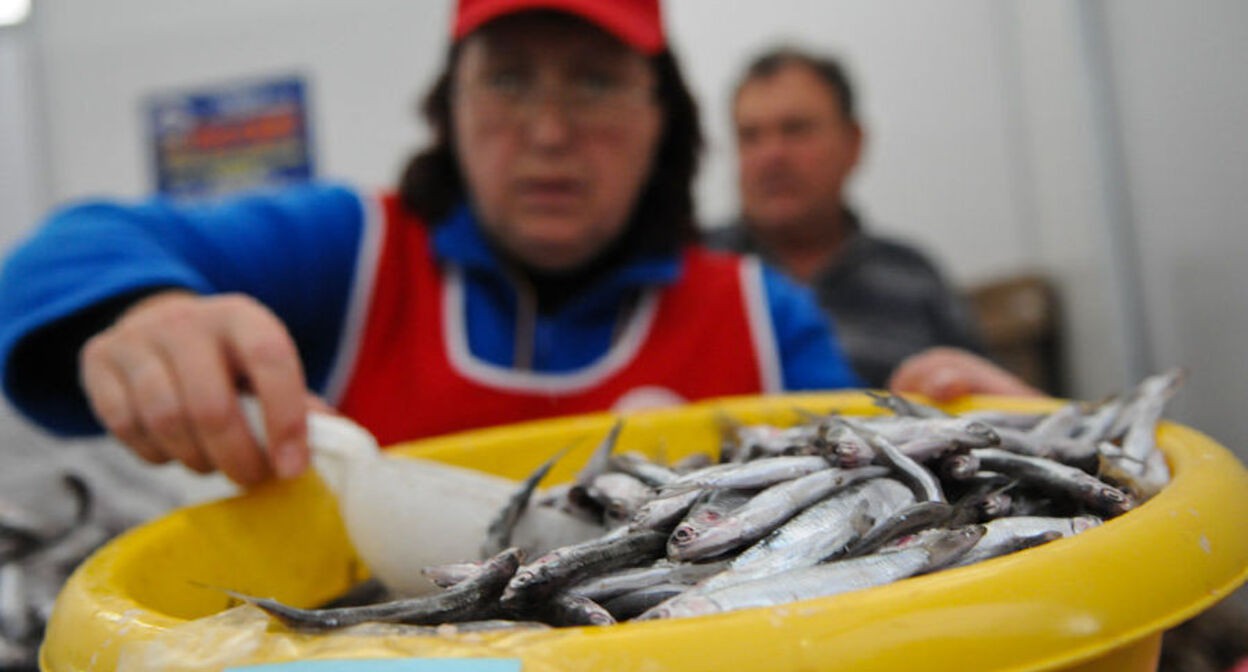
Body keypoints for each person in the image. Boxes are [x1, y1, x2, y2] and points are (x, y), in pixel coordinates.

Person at [0, 0, 1033, 489]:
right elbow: (75, 246)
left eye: (592, 81)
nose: (547, 133)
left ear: (661, 120)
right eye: (507, 78)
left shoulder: (761, 318)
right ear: (447, 110)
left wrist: (1008, 469)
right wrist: (146, 315)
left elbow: (876, 511)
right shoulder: (352, 254)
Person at [706, 46, 988, 389]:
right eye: (750, 136)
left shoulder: (914, 280)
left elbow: (984, 409)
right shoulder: (690, 272)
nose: (771, 155)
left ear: (853, 143)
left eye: (795, 129)